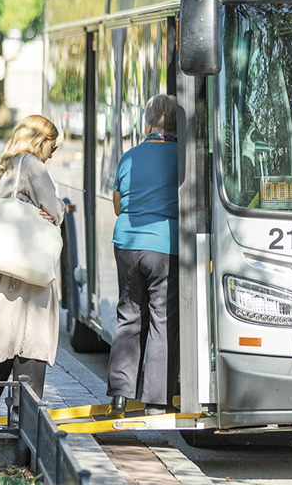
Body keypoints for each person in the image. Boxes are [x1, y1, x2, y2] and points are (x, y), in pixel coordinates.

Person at [0, 115, 65, 427]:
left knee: (4, 332)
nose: (53, 152)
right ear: (40, 141)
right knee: (31, 335)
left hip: (6, 264)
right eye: (52, 144)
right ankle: (22, 416)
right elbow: (55, 210)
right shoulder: (34, 166)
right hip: (31, 265)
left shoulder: (7, 166)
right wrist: (55, 211)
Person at [106, 94, 180, 418]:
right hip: (164, 245)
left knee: (129, 315)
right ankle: (155, 401)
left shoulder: (130, 155)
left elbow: (118, 201)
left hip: (126, 243)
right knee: (162, 320)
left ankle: (120, 396)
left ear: (147, 123)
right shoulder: (183, 157)